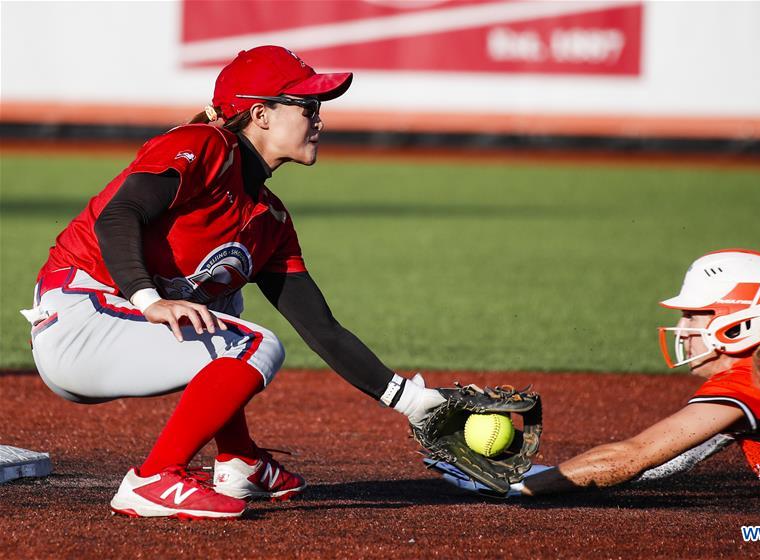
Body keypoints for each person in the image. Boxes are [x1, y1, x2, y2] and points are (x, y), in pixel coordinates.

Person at [21, 45, 445, 519]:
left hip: (116, 332)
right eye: (307, 107)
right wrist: (148, 300)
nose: (319, 119)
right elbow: (120, 214)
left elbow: (322, 329)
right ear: (261, 114)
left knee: (224, 303)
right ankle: (153, 478)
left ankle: (239, 459)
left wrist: (413, 401)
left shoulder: (269, 219)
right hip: (81, 316)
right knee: (253, 344)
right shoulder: (204, 144)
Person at [436, 249, 760, 506]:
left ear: (740, 325)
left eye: (697, 316)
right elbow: (665, 461)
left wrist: (515, 485)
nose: (683, 330)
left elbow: (630, 457)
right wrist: (536, 472)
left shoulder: (747, 384)